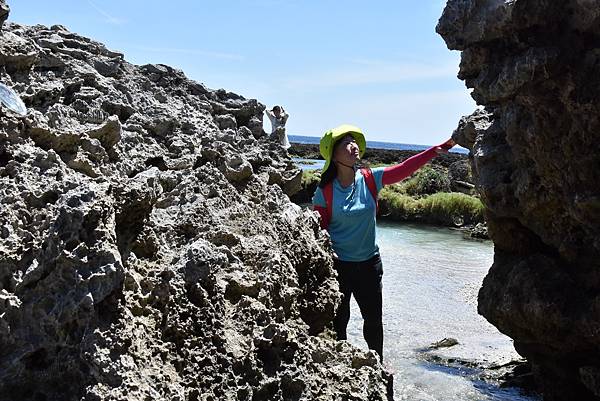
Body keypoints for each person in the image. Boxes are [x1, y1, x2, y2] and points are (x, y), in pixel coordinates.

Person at [312, 124, 454, 362]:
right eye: (346, 143)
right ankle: (341, 370)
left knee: (374, 323)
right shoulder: (324, 191)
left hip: (369, 265)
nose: (353, 146)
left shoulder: (370, 179)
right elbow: (320, 232)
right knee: (339, 323)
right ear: (334, 154)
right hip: (338, 269)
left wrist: (434, 151)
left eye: (354, 141)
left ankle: (377, 368)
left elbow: (404, 169)